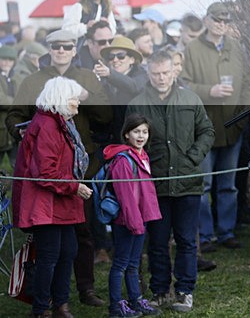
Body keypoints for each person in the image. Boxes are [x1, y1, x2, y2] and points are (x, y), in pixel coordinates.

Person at [6, 28, 113, 307]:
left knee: (80, 236)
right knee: (52, 247)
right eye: (57, 47)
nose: (62, 51)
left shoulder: (86, 78)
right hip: (51, 174)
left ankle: (84, 290)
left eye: (67, 46)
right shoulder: (35, 84)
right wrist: (24, 135)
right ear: (50, 50)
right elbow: (16, 115)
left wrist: (88, 96)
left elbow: (106, 116)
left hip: (79, 168)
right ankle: (48, 302)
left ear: (75, 49)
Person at [126, 50, 215, 312]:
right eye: (156, 74)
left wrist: (193, 157)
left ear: (174, 71)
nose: (161, 78)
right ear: (148, 73)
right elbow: (129, 138)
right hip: (154, 185)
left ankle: (185, 290)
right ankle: (160, 290)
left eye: (166, 72)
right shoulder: (138, 103)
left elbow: (207, 131)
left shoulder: (190, 98)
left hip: (188, 183)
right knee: (157, 240)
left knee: (187, 240)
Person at [12, 76, 92, 318]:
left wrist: (71, 187)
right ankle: (41, 309)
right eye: (73, 98)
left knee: (68, 250)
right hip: (45, 201)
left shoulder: (62, 124)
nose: (78, 103)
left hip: (60, 199)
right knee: (49, 255)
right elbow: (44, 172)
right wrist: (75, 187)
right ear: (59, 99)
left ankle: (61, 304)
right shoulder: (47, 125)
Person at [182, 2, 250, 252]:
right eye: (217, 20)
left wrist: (242, 115)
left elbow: (247, 84)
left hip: (232, 125)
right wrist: (208, 91)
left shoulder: (237, 48)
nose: (221, 25)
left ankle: (226, 231)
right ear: (207, 20)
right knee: (204, 184)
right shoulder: (192, 48)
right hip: (203, 127)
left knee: (228, 184)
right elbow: (183, 84)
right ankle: (206, 234)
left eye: (225, 21)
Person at [103, 114, 162, 317]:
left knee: (134, 263)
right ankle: (116, 305)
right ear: (126, 134)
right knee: (120, 263)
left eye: (145, 132)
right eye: (136, 131)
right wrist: (134, 222)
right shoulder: (123, 160)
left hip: (140, 219)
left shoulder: (142, 155)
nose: (141, 136)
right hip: (126, 221)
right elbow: (126, 196)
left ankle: (135, 300)